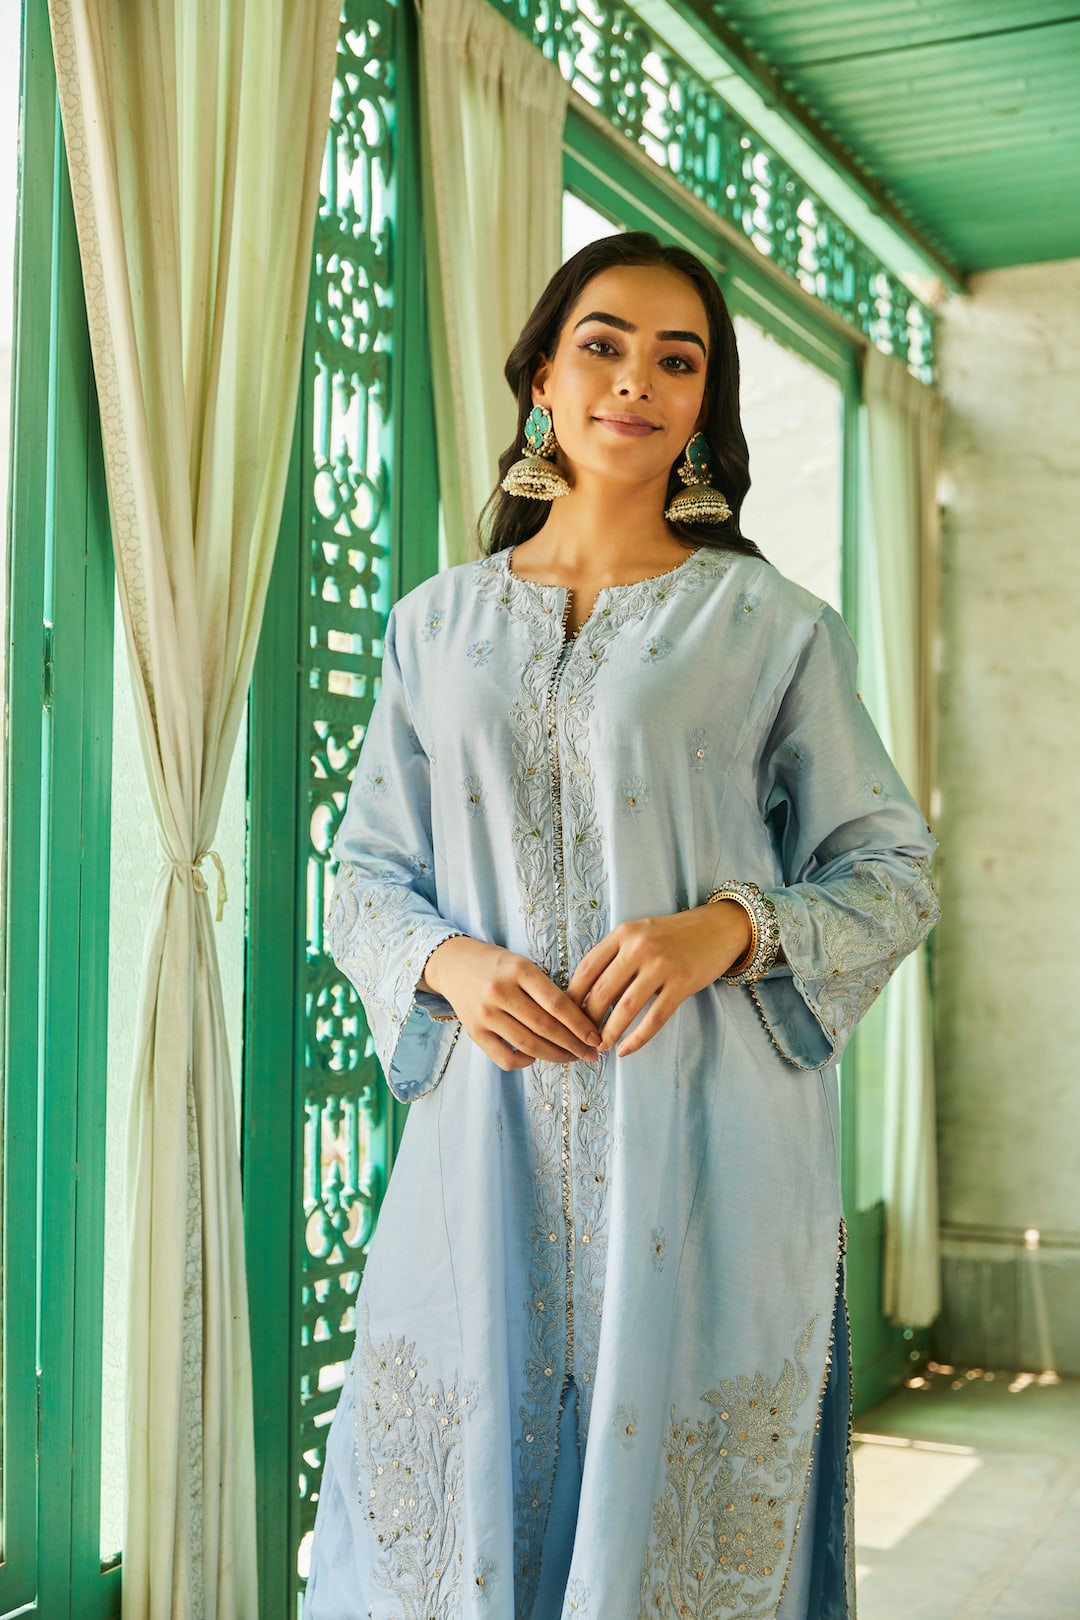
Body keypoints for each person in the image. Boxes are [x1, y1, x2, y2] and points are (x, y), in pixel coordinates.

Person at [304, 231, 939, 1620]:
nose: (636, 379)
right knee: (443, 1516)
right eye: (602, 345)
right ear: (543, 377)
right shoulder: (434, 626)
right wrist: (450, 962)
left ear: (704, 406)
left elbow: (894, 871)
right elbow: (360, 877)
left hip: (707, 1135)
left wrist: (730, 930)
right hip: (486, 1136)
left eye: (678, 359)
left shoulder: (769, 625)